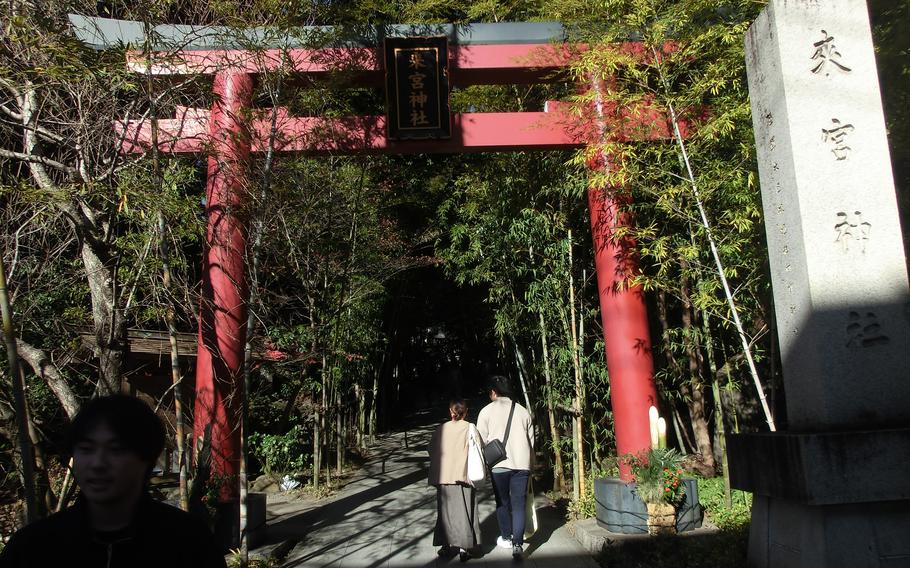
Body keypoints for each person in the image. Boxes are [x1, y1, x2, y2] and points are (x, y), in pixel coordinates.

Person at [0, 395, 227, 568]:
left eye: (116, 450)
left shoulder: (188, 542)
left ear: (147, 458)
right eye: (86, 449)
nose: (98, 463)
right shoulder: (33, 547)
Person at [476, 375, 533, 559]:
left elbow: (480, 440)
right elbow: (531, 441)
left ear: (493, 392)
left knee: (502, 502)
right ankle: (518, 544)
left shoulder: (486, 411)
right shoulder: (523, 411)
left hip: (499, 465)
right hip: (522, 464)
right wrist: (532, 465)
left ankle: (506, 537)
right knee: (519, 504)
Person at [427, 399, 482, 562]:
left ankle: (446, 546)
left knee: (445, 514)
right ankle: (465, 547)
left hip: (443, 476)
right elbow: (478, 449)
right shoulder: (470, 428)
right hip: (463, 476)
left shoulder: (441, 429)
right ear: (465, 412)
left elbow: (431, 450)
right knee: (465, 511)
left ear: (451, 412)